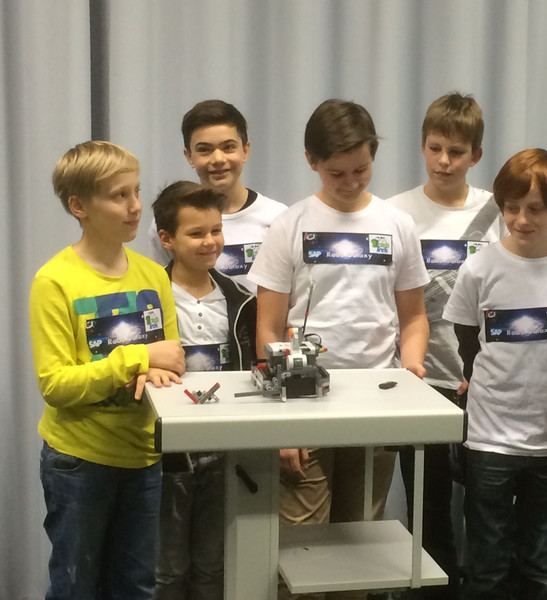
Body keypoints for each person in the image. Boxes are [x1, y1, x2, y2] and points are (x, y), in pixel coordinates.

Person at [247, 99, 430, 599]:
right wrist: (283, 420)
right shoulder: (289, 226)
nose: (350, 182)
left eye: (361, 170)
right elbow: (268, 326)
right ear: (311, 161)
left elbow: (414, 317)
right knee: (301, 548)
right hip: (303, 402)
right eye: (336, 173)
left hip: (376, 403)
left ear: (374, 156)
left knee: (360, 548)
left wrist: (412, 366)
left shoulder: (397, 225)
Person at [30, 140, 185, 600]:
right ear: (79, 206)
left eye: (136, 191)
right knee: (75, 586)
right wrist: (138, 360)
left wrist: (154, 366)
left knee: (137, 586)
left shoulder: (154, 275)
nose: (136, 207)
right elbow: (57, 384)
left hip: (143, 457)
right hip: (79, 462)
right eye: (119, 196)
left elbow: (172, 359)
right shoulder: (54, 281)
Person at [443, 148, 547, 600]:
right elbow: (466, 337)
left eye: (536, 209)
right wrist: (474, 376)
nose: (521, 219)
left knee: (539, 566)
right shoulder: (479, 268)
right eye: (511, 208)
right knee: (486, 567)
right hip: (490, 438)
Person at [387, 92, 505, 599]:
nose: (444, 161)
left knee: (488, 502)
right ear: (422, 146)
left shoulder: (499, 212)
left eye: (456, 152)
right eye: (435, 148)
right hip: (421, 380)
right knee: (427, 504)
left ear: (475, 155)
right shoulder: (396, 213)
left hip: (486, 383)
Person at [152, 181, 258, 600]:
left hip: (223, 451)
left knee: (212, 565)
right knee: (166, 568)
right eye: (196, 233)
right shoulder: (149, 300)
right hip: (167, 457)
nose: (210, 241)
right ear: (167, 239)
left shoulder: (241, 300)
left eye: (216, 230)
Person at [148, 99, 287, 293]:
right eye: (204, 150)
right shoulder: (169, 221)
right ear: (189, 156)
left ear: (245, 150)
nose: (218, 159)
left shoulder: (279, 218)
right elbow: (163, 287)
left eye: (228, 147)